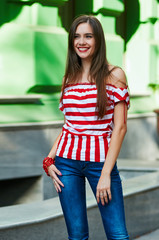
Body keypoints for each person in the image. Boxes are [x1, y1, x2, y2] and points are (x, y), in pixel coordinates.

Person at [43, 15, 130, 240]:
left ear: (98, 40)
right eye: (77, 36)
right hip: (66, 164)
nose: (82, 42)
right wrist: (49, 160)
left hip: (101, 162)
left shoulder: (114, 75)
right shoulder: (68, 79)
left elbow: (119, 128)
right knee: (77, 236)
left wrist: (105, 174)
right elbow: (69, 125)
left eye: (88, 36)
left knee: (118, 234)